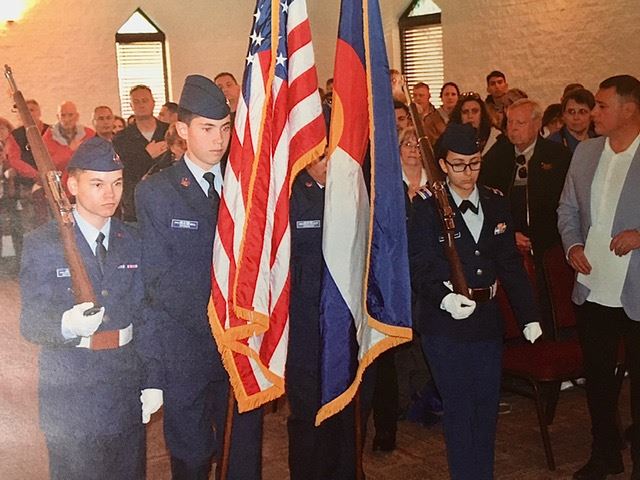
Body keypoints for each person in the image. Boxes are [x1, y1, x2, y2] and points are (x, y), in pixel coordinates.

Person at [135, 74, 262, 480]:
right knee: (191, 458)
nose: (218, 139)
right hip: (187, 347)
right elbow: (158, 279)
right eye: (207, 128)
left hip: (239, 345)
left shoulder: (246, 190)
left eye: (225, 128)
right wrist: (215, 320)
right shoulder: (157, 192)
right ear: (183, 130)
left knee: (240, 454)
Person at [19, 137, 159, 480]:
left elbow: (147, 316)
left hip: (124, 386)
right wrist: (65, 324)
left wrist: (154, 381)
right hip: (71, 393)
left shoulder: (134, 239)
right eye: (97, 184)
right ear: (72, 185)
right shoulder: (43, 243)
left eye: (117, 183)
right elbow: (30, 321)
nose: (110, 194)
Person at [408, 123, 542, 480]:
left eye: (475, 163)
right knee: (460, 409)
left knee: (486, 409)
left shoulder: (496, 200)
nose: (467, 173)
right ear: (441, 164)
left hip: (486, 320)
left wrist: (528, 315)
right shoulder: (426, 207)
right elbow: (420, 264)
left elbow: (509, 263)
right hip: (444, 325)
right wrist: (444, 297)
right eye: (458, 165)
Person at [557, 74, 640, 480]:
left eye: (603, 106)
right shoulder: (587, 152)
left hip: (637, 290)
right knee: (600, 383)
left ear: (629, 110)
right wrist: (572, 247)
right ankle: (605, 453)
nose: (594, 113)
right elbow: (566, 209)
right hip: (593, 288)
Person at [112, 84, 169, 222]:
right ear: (131, 106)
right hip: (135, 208)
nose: (141, 105)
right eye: (136, 102)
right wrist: (147, 155)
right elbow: (123, 173)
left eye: (145, 100)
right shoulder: (121, 138)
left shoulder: (168, 132)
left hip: (168, 203)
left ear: (153, 103)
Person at [42, 101, 94, 171]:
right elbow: (47, 166)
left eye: (70, 115)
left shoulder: (89, 134)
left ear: (77, 116)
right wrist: (70, 150)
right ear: (58, 117)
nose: (67, 119)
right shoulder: (48, 138)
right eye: (63, 115)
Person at [548, 88, 597, 154]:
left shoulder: (599, 141)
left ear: (592, 114)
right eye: (571, 112)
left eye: (582, 112)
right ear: (563, 115)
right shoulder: (552, 144)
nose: (576, 117)